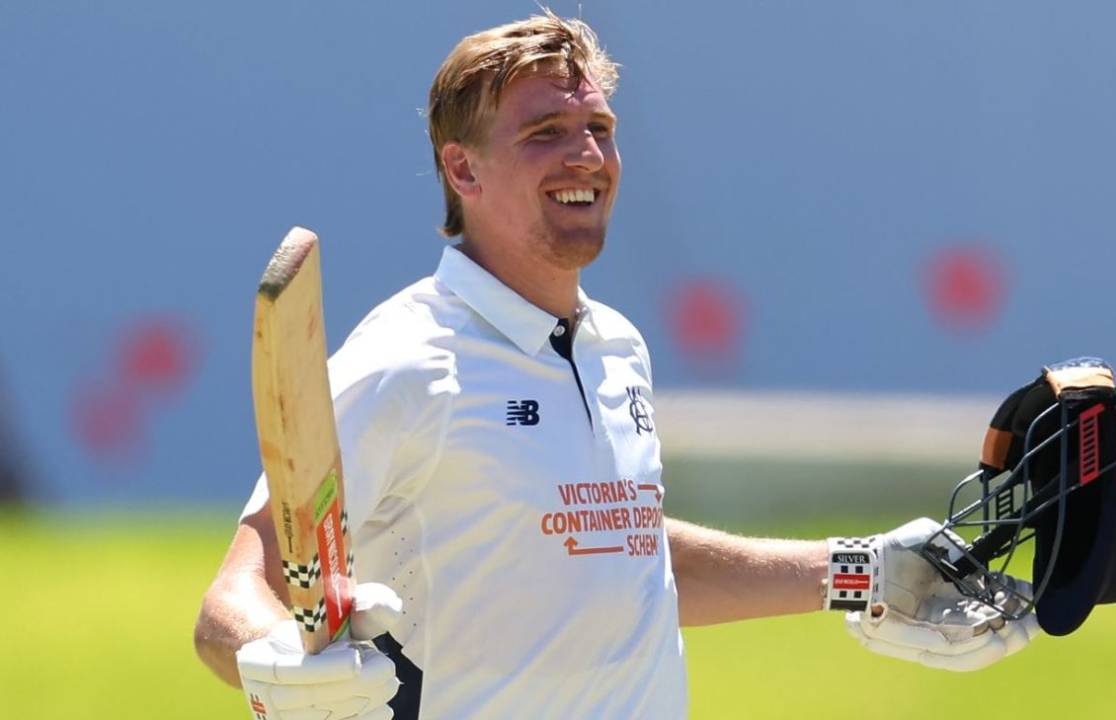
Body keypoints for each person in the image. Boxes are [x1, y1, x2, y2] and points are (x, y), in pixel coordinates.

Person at [194, 11, 1037, 719]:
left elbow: (623, 557)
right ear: (462, 168)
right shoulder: (406, 359)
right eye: (545, 134)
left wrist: (861, 572)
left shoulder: (615, 346)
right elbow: (233, 597)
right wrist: (274, 660)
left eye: (598, 129)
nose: (586, 156)